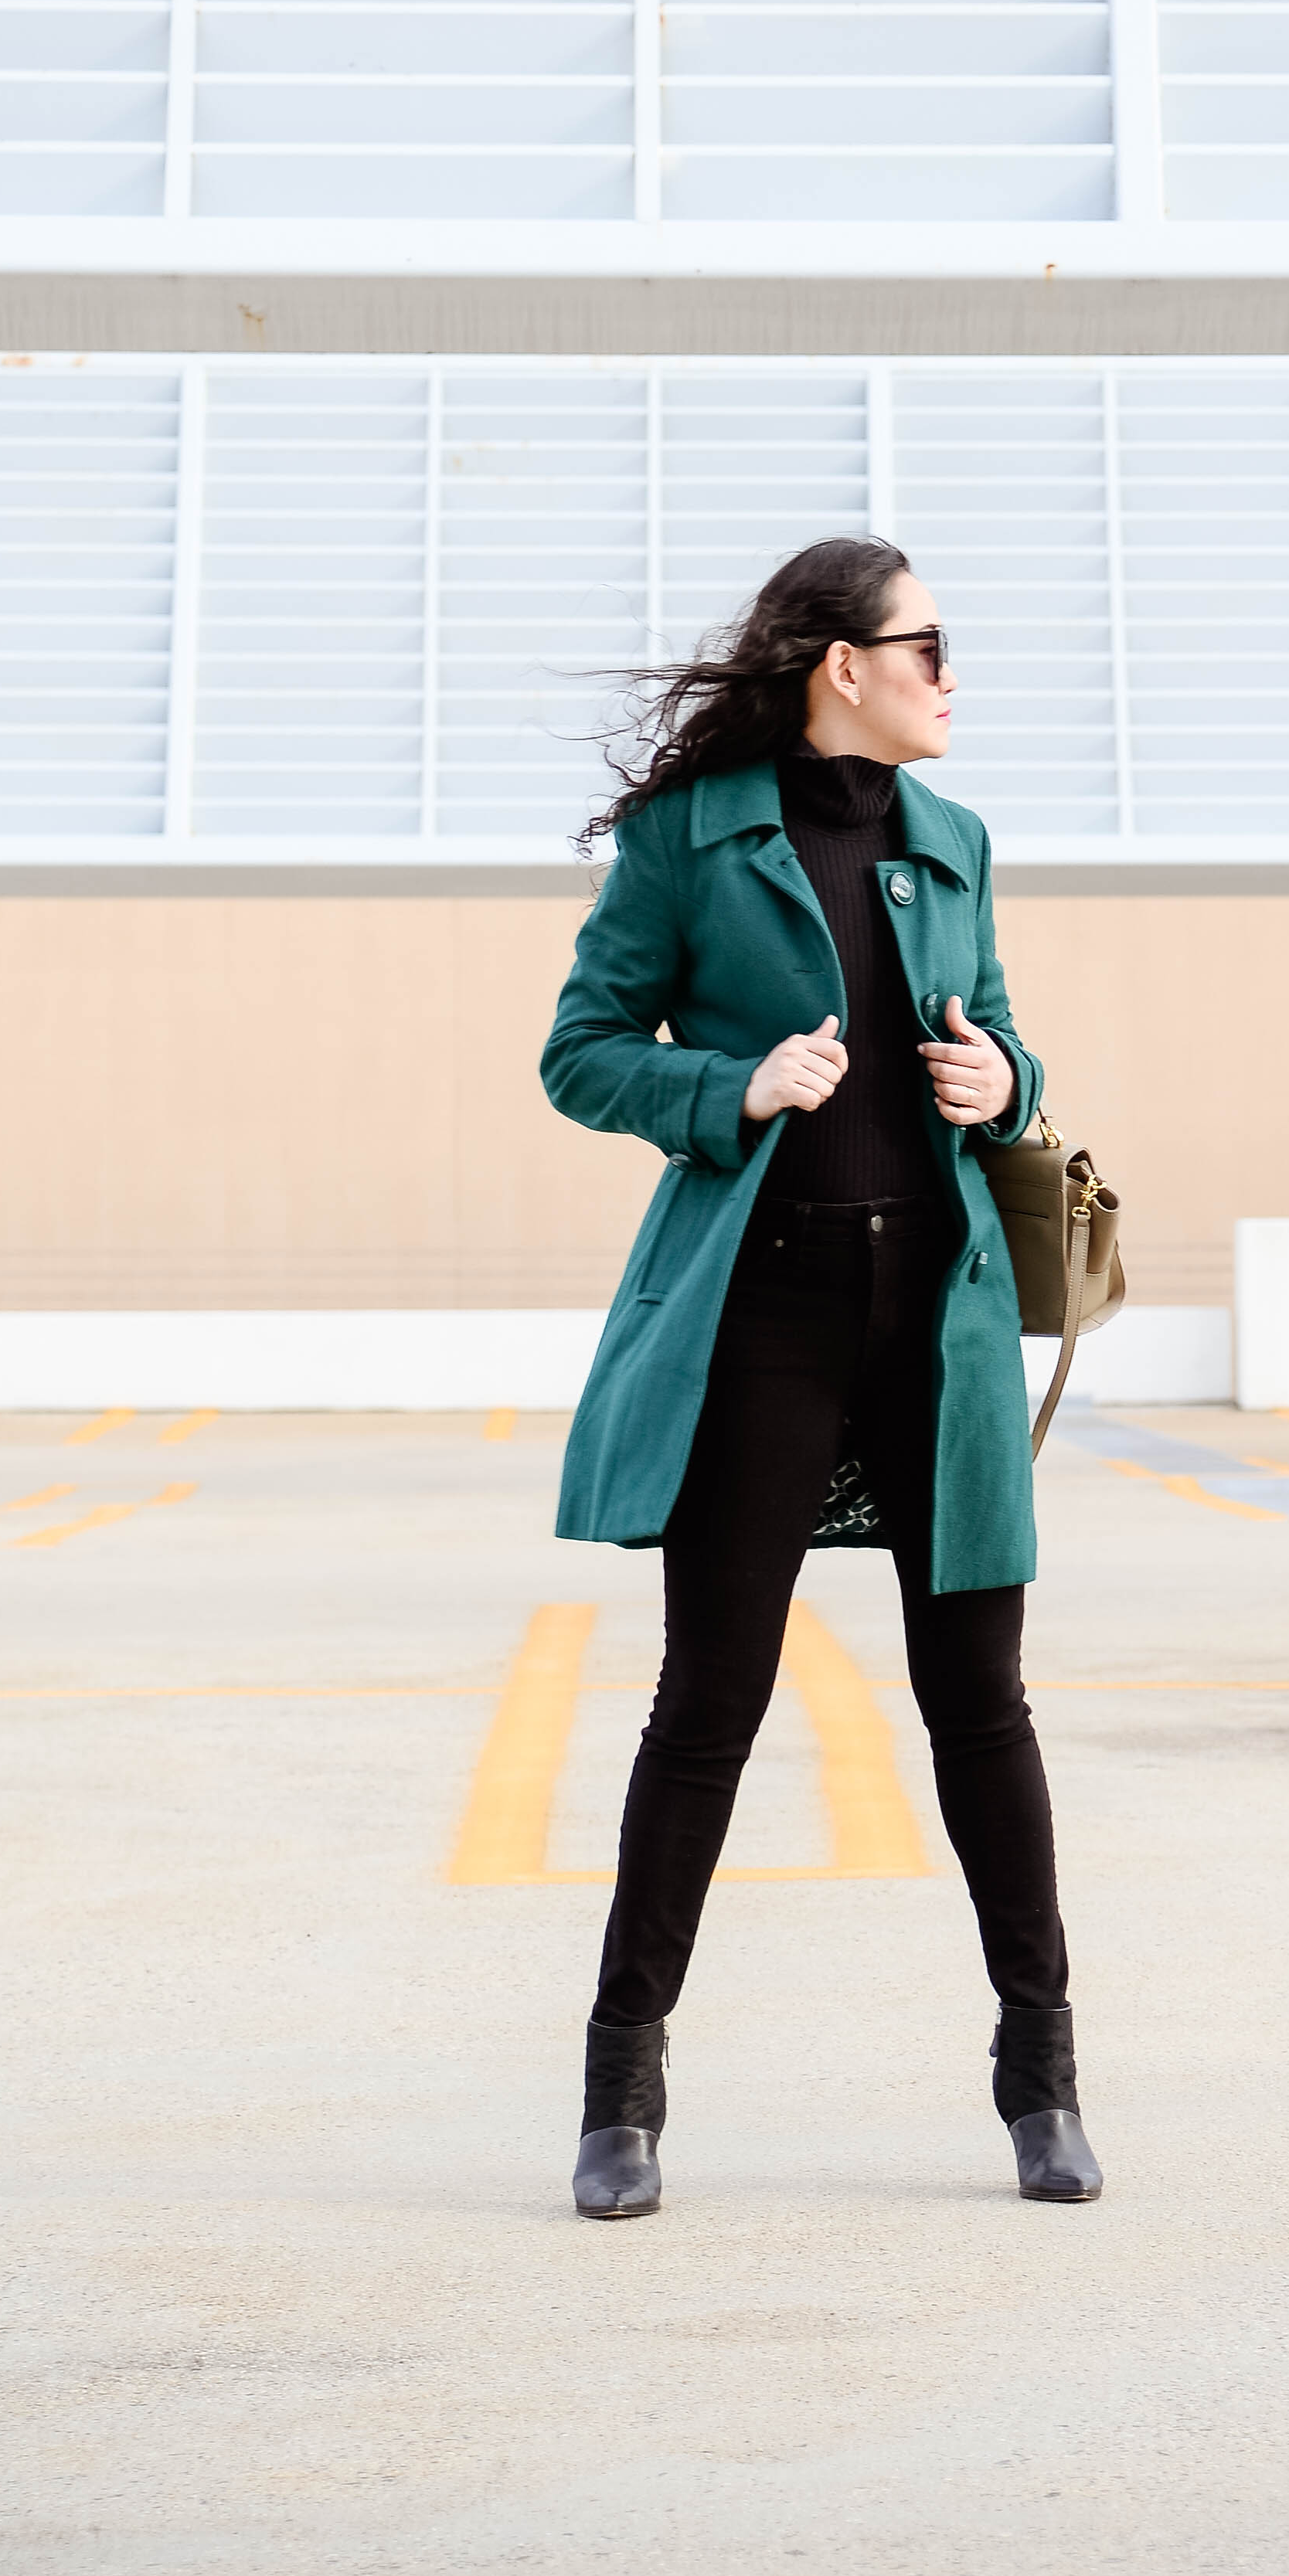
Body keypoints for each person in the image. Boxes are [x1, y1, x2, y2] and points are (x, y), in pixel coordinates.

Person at [539, 535, 1101, 2221]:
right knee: (706, 1707)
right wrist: (733, 1086)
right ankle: (620, 2098)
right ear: (840, 663)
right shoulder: (687, 843)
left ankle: (1042, 2080)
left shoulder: (955, 842)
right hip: (760, 1318)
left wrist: (999, 1076)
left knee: (982, 1706)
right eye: (928, 642)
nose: (952, 672)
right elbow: (581, 1051)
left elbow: (1008, 1048)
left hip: (937, 1316)